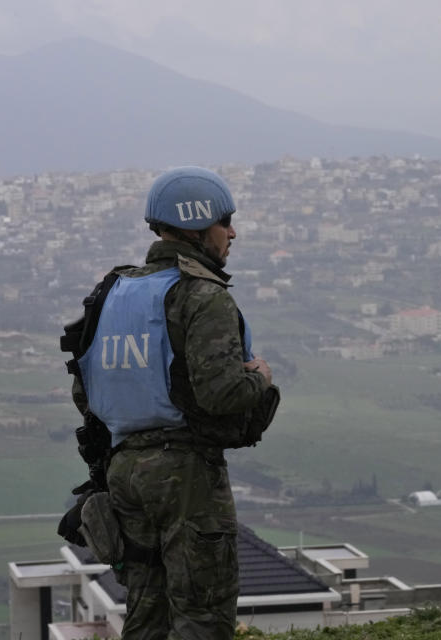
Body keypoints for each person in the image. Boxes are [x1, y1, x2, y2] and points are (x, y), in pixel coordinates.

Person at [63, 166, 273, 639]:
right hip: (186, 477)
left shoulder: (113, 292)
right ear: (199, 224)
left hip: (123, 473)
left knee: (146, 612)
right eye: (226, 221)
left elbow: (86, 391)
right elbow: (222, 394)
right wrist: (261, 378)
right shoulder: (201, 294)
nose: (232, 232)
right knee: (202, 613)